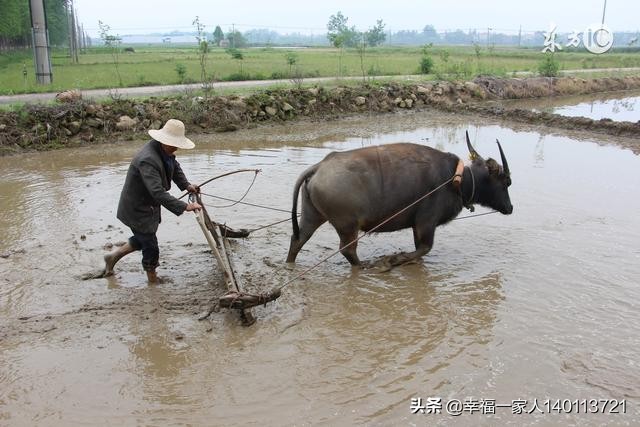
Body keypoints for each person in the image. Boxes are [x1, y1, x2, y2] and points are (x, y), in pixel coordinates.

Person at [103, 119, 202, 283]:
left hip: (147, 205)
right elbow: (157, 192)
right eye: (173, 144)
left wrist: (186, 185)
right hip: (137, 208)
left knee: (144, 238)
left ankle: (112, 257)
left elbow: (174, 166)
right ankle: (152, 280)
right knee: (151, 245)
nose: (175, 147)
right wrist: (185, 206)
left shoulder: (164, 151)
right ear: (164, 140)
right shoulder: (148, 159)